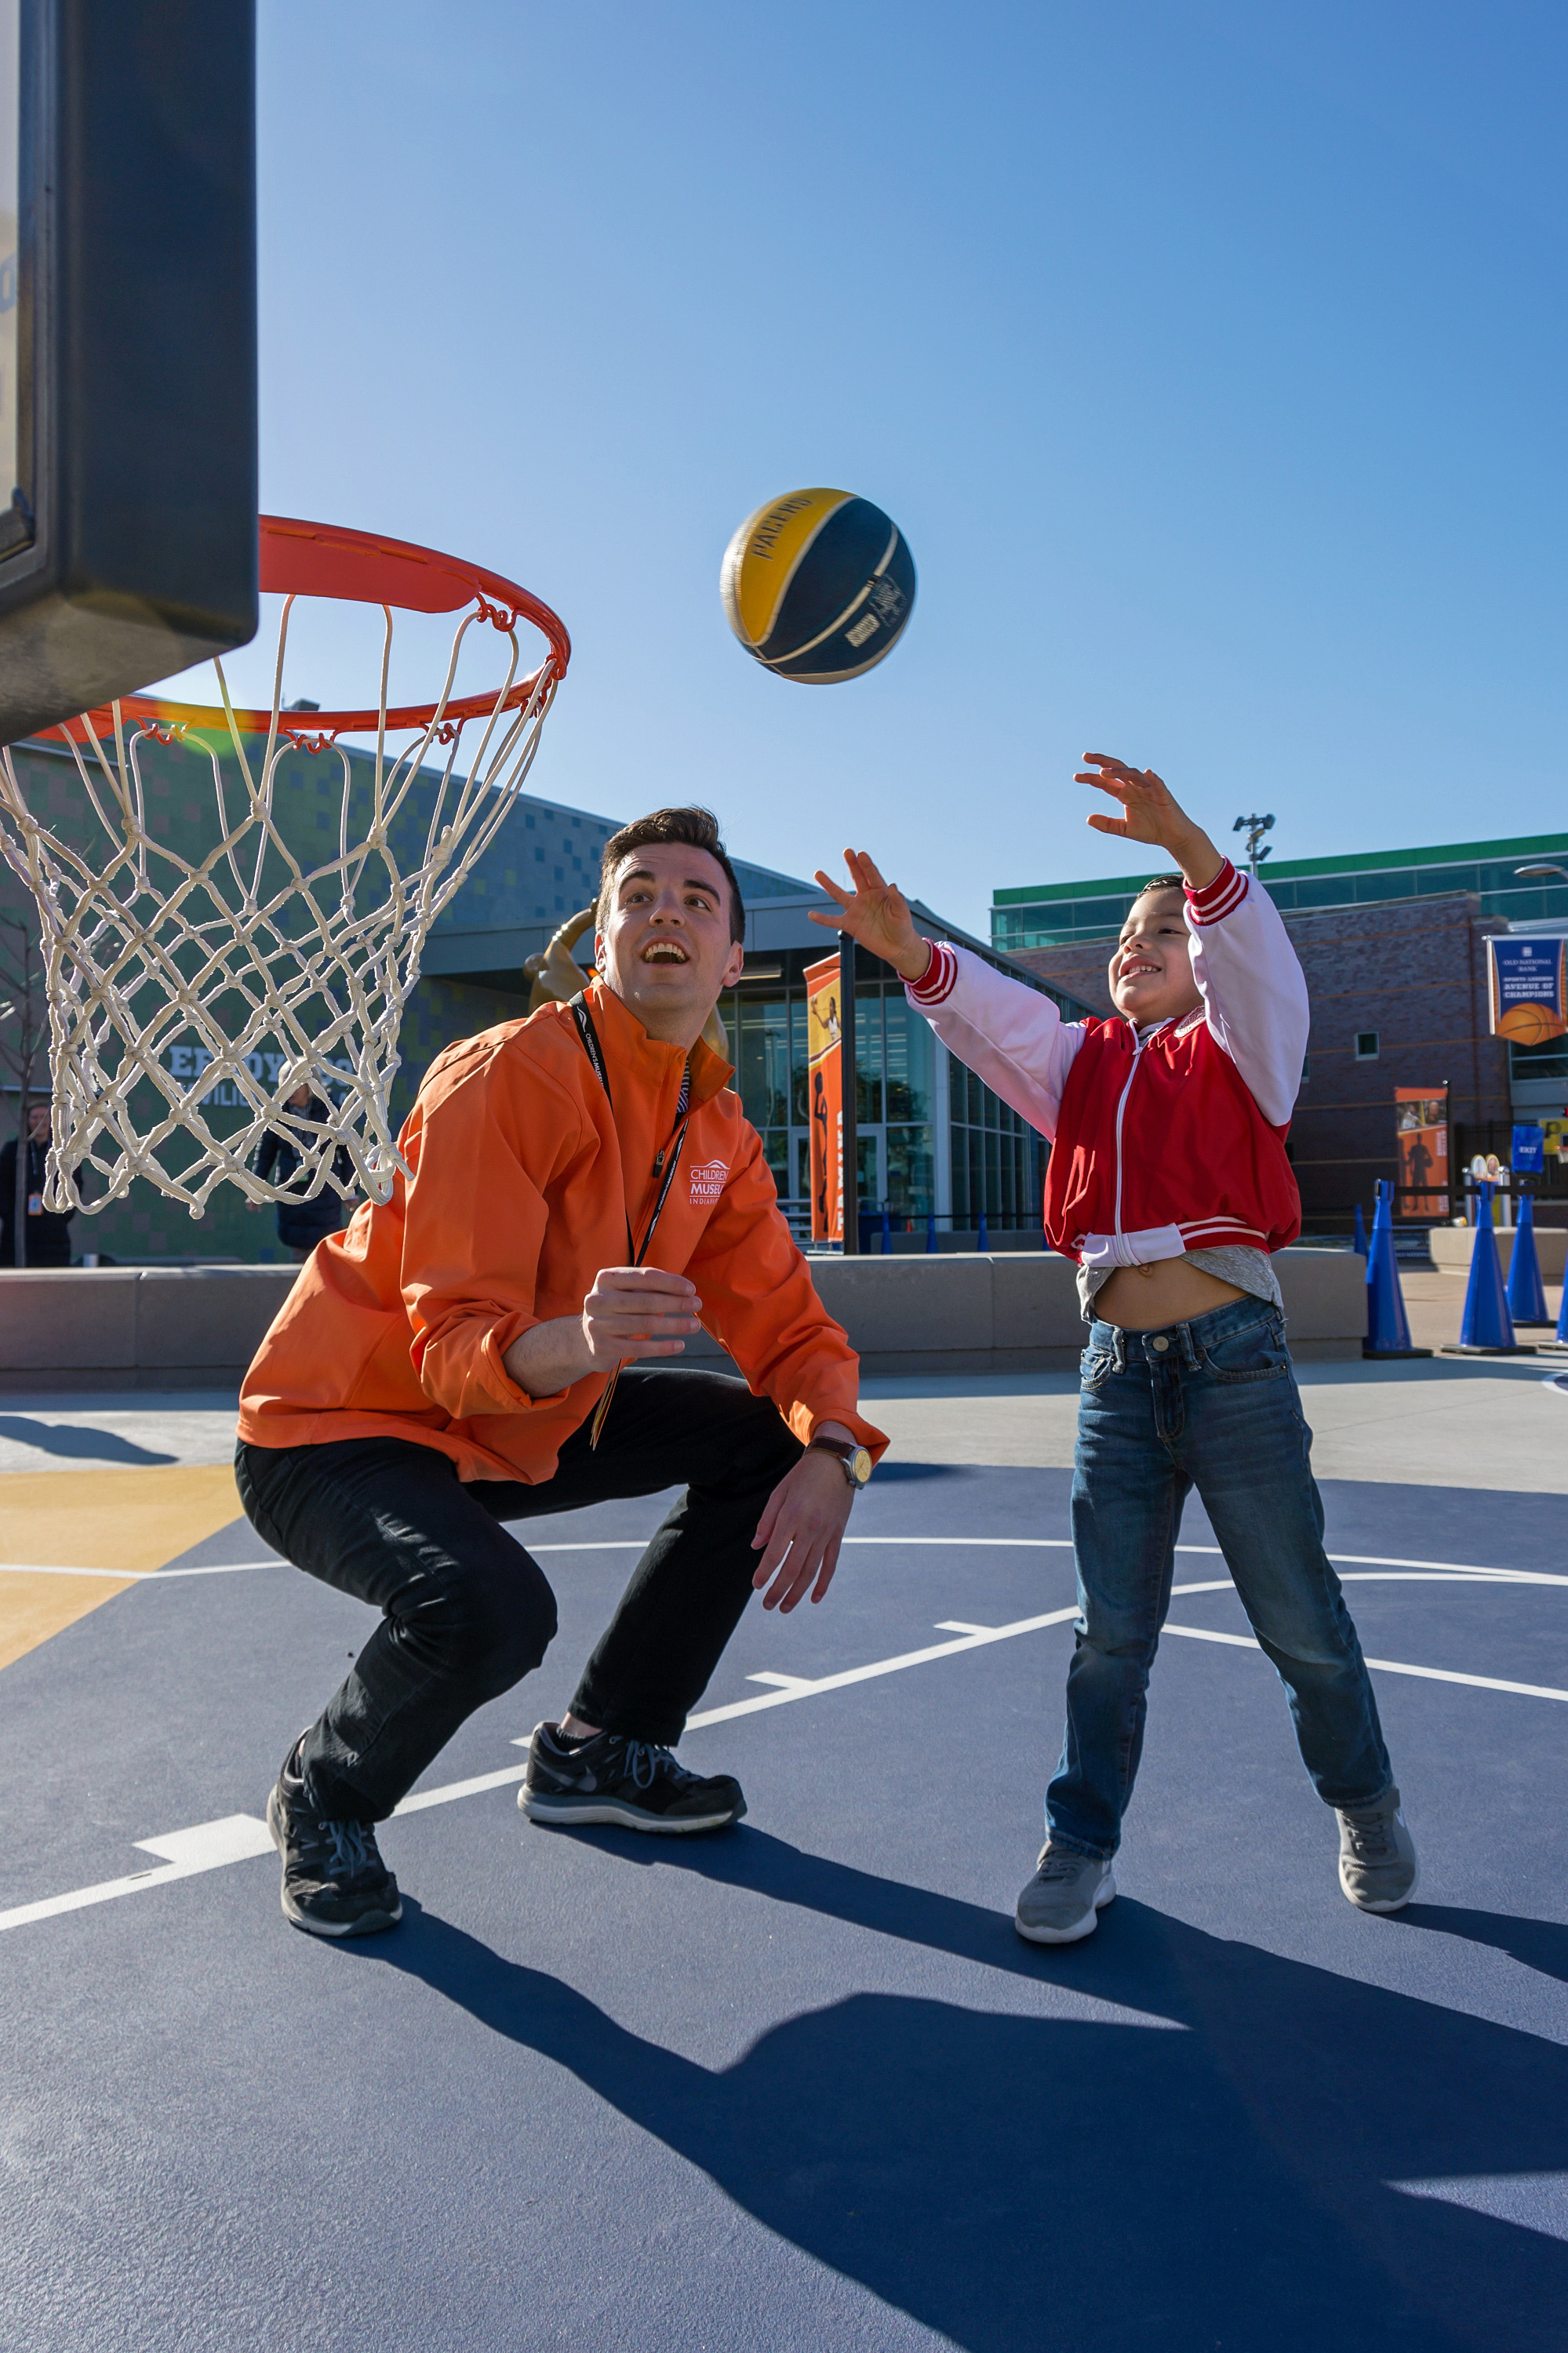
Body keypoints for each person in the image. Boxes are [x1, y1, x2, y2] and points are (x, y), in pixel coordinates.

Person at [235, 805, 886, 1938]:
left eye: (695, 899)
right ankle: (324, 1793)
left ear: (732, 956)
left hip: (519, 1417)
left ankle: (600, 1751)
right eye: (636, 896)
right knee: (489, 1612)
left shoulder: (713, 1127)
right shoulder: (508, 1076)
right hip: (338, 1426)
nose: (663, 913)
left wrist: (836, 1449)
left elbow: (787, 1327)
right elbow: (445, 1351)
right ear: (601, 942)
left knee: (762, 1440)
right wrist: (578, 1345)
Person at [814, 755, 1417, 1944]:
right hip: (1112, 1378)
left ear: (1201, 950)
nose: (1134, 945)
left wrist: (1194, 855)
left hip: (1232, 1360)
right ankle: (1079, 1842)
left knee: (1298, 1621)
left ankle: (1364, 1807)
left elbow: (1256, 967)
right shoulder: (1082, 1063)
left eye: (1161, 930)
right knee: (1105, 1639)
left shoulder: (1244, 1053)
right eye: (1122, 935)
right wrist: (909, 954)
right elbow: (997, 1023)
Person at [248, 1081, 355, 1261]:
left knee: (325, 1255)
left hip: (325, 1191)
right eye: (285, 1085)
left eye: (296, 1085)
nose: (290, 1090)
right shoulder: (277, 1114)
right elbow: (266, 1154)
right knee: (298, 1252)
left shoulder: (330, 1110)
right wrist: (255, 1191)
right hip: (292, 1192)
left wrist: (351, 1190)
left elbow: (348, 1152)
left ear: (309, 1086)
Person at [0, 1102, 75, 1268]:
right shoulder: (14, 1149)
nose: (39, 1122)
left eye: (44, 1117)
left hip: (53, 1228)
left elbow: (74, 1183)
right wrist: (8, 1214)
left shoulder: (63, 1152)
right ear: (27, 1120)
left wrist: (64, 1214)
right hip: (18, 1226)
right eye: (34, 1117)